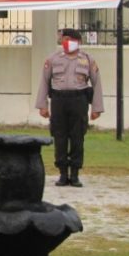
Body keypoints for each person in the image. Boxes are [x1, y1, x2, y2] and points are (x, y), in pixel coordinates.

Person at [36, 28, 103, 187]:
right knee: (59, 136)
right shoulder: (53, 59)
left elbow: (96, 83)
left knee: (77, 137)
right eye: (63, 39)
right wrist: (42, 105)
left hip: (79, 100)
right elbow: (44, 82)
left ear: (78, 41)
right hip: (59, 100)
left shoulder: (87, 60)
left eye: (68, 39)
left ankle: (75, 174)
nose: (65, 42)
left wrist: (96, 107)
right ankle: (62, 173)